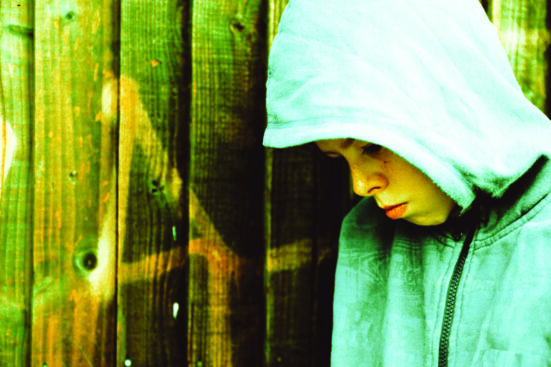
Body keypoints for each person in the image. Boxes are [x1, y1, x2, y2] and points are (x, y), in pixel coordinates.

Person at [262, 0, 551, 365]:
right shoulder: (368, 234)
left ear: (441, 98)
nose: (360, 186)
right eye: (337, 159)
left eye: (371, 146)